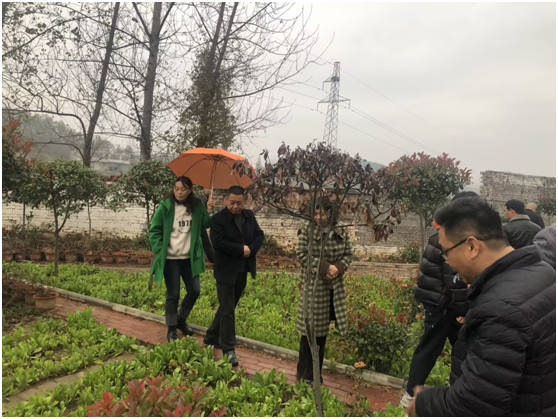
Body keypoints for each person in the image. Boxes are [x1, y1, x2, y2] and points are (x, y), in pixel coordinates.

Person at [406, 197, 555, 417]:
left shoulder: (501, 309)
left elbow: (474, 405)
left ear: (472, 246)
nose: (448, 262)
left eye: (446, 253)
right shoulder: (543, 272)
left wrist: (423, 404)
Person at [400, 191, 477, 408]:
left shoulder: (444, 234)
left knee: (453, 347)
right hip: (443, 304)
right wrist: (463, 310)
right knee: (434, 347)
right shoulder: (450, 239)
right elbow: (455, 279)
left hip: (439, 301)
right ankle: (411, 394)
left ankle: (456, 393)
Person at [204, 186, 264, 366]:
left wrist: (251, 249)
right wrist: (240, 249)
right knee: (228, 310)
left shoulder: (248, 216)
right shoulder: (218, 219)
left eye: (239, 203)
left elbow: (259, 235)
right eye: (232, 203)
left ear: (244, 202)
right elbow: (218, 243)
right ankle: (228, 348)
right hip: (225, 270)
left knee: (228, 306)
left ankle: (211, 335)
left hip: (243, 269)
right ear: (225, 201)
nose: (235, 206)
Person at [295, 196, 354, 384]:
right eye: (316, 213)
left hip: (333, 288)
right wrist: (325, 267)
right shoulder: (307, 230)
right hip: (314, 287)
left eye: (322, 213)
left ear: (331, 213)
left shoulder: (340, 230)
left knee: (322, 334)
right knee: (309, 331)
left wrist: (338, 268)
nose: (318, 217)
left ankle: (315, 374)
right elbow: (302, 254)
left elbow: (349, 254)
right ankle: (306, 375)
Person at [148, 176, 213, 342]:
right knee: (173, 294)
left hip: (189, 259)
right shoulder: (166, 206)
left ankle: (180, 320)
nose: (179, 192)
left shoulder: (197, 206)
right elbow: (154, 230)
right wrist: (160, 249)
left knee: (195, 291)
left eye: (183, 189)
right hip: (171, 259)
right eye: (176, 188)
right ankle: (171, 329)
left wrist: (208, 207)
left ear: (190, 190)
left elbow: (206, 223)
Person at [196, 187, 215, 264]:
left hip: (202, 225)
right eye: (208, 188)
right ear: (204, 189)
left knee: (206, 244)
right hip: (199, 224)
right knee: (206, 244)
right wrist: (208, 207)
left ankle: (213, 259)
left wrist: (210, 208)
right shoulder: (202, 198)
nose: (210, 190)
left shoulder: (209, 198)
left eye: (210, 188)